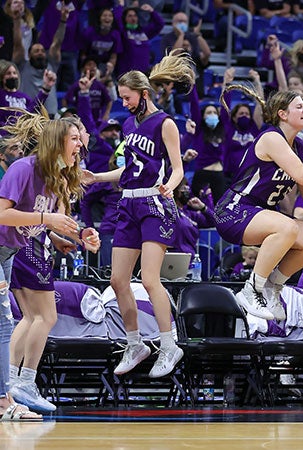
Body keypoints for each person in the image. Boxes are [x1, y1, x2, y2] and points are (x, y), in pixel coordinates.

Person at [82, 49, 196, 378]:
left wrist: (170, 186)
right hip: (127, 203)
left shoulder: (166, 123)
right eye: (122, 98)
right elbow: (128, 168)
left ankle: (170, 343)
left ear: (143, 94)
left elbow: (177, 169)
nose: (125, 103)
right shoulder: (130, 123)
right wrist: (98, 177)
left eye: (128, 97)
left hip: (154, 204)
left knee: (148, 279)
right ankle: (135, 344)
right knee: (118, 280)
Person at [213, 85, 303, 322]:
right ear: (283, 114)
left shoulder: (301, 147)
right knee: (289, 227)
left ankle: (273, 286)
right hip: (234, 210)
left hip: (260, 214)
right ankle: (251, 290)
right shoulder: (272, 137)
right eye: (299, 106)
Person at [0, 115, 100, 419]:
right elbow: (3, 215)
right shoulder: (23, 169)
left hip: (9, 253)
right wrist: (47, 221)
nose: (80, 146)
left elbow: (57, 221)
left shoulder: (55, 178)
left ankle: (10, 396)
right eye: (74, 139)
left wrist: (80, 235)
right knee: (8, 324)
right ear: (56, 142)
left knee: (7, 324)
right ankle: (12, 394)